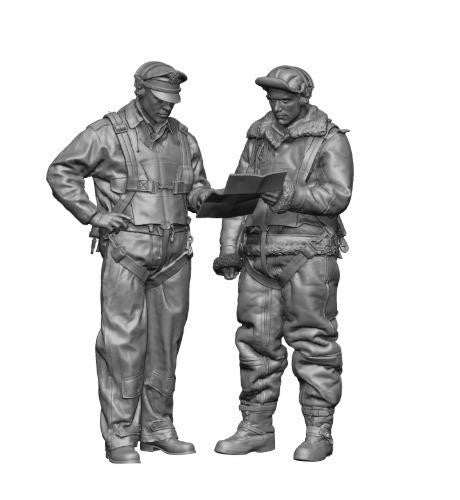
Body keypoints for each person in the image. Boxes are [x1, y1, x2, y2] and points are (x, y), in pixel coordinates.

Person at [47, 61, 212, 463]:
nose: (168, 105)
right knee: (121, 343)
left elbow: (196, 185)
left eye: (173, 98)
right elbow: (61, 170)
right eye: (160, 97)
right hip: (127, 253)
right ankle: (121, 433)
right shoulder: (106, 132)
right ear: (140, 90)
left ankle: (159, 427)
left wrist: (205, 197)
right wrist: (93, 214)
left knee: (166, 344)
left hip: (176, 255)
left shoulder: (183, 138)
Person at [213, 65, 353, 461]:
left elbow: (339, 195)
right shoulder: (258, 137)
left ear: (303, 98)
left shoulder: (329, 138)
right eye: (272, 99)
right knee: (255, 342)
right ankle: (256, 426)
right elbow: (238, 195)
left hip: (308, 252)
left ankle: (318, 430)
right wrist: (228, 247)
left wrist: (294, 194)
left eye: (285, 100)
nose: (277, 106)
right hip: (257, 254)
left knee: (313, 340)